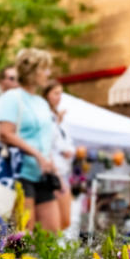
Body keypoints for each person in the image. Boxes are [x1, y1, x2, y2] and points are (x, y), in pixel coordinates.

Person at [0, 48, 60, 232]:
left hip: (42, 173)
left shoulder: (41, 102)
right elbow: (5, 133)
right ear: (31, 71)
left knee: (52, 236)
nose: (48, 73)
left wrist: (49, 161)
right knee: (23, 235)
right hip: (21, 173)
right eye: (44, 68)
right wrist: (38, 155)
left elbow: (45, 137)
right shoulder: (13, 97)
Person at [43, 80, 76, 232]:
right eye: (55, 93)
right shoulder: (45, 116)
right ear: (46, 94)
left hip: (64, 171)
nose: (59, 97)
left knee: (65, 221)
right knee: (56, 223)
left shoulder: (60, 119)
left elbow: (66, 143)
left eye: (60, 94)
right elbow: (48, 142)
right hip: (53, 173)